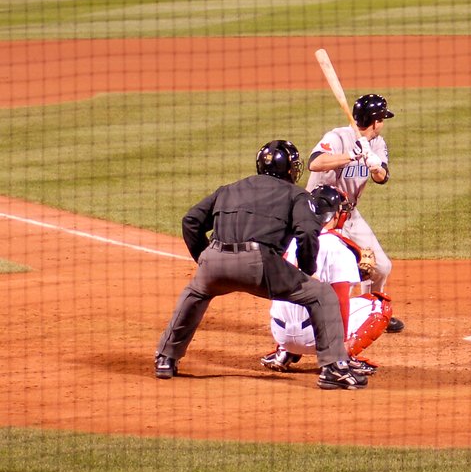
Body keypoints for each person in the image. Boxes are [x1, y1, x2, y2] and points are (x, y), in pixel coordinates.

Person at [154, 140, 368, 390]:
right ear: (290, 168)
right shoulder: (295, 194)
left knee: (195, 294)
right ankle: (333, 369)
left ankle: (165, 358)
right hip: (259, 265)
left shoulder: (230, 188)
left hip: (214, 260)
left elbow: (190, 221)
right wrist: (307, 270)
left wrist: (205, 259)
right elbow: (308, 233)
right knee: (321, 295)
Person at [259, 185, 393, 376]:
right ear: (335, 214)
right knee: (380, 304)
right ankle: (342, 357)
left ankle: (283, 352)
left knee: (298, 297)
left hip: (280, 333)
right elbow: (341, 301)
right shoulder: (338, 247)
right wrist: (338, 347)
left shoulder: (289, 240)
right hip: (316, 338)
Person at [305, 93, 404, 333]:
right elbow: (315, 163)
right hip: (321, 218)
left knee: (381, 267)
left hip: (350, 214)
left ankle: (372, 312)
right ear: (375, 121)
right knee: (339, 273)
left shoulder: (377, 144)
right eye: (382, 119)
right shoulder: (338, 136)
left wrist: (374, 164)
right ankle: (331, 323)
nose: (383, 124)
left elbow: (383, 178)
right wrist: (351, 155)